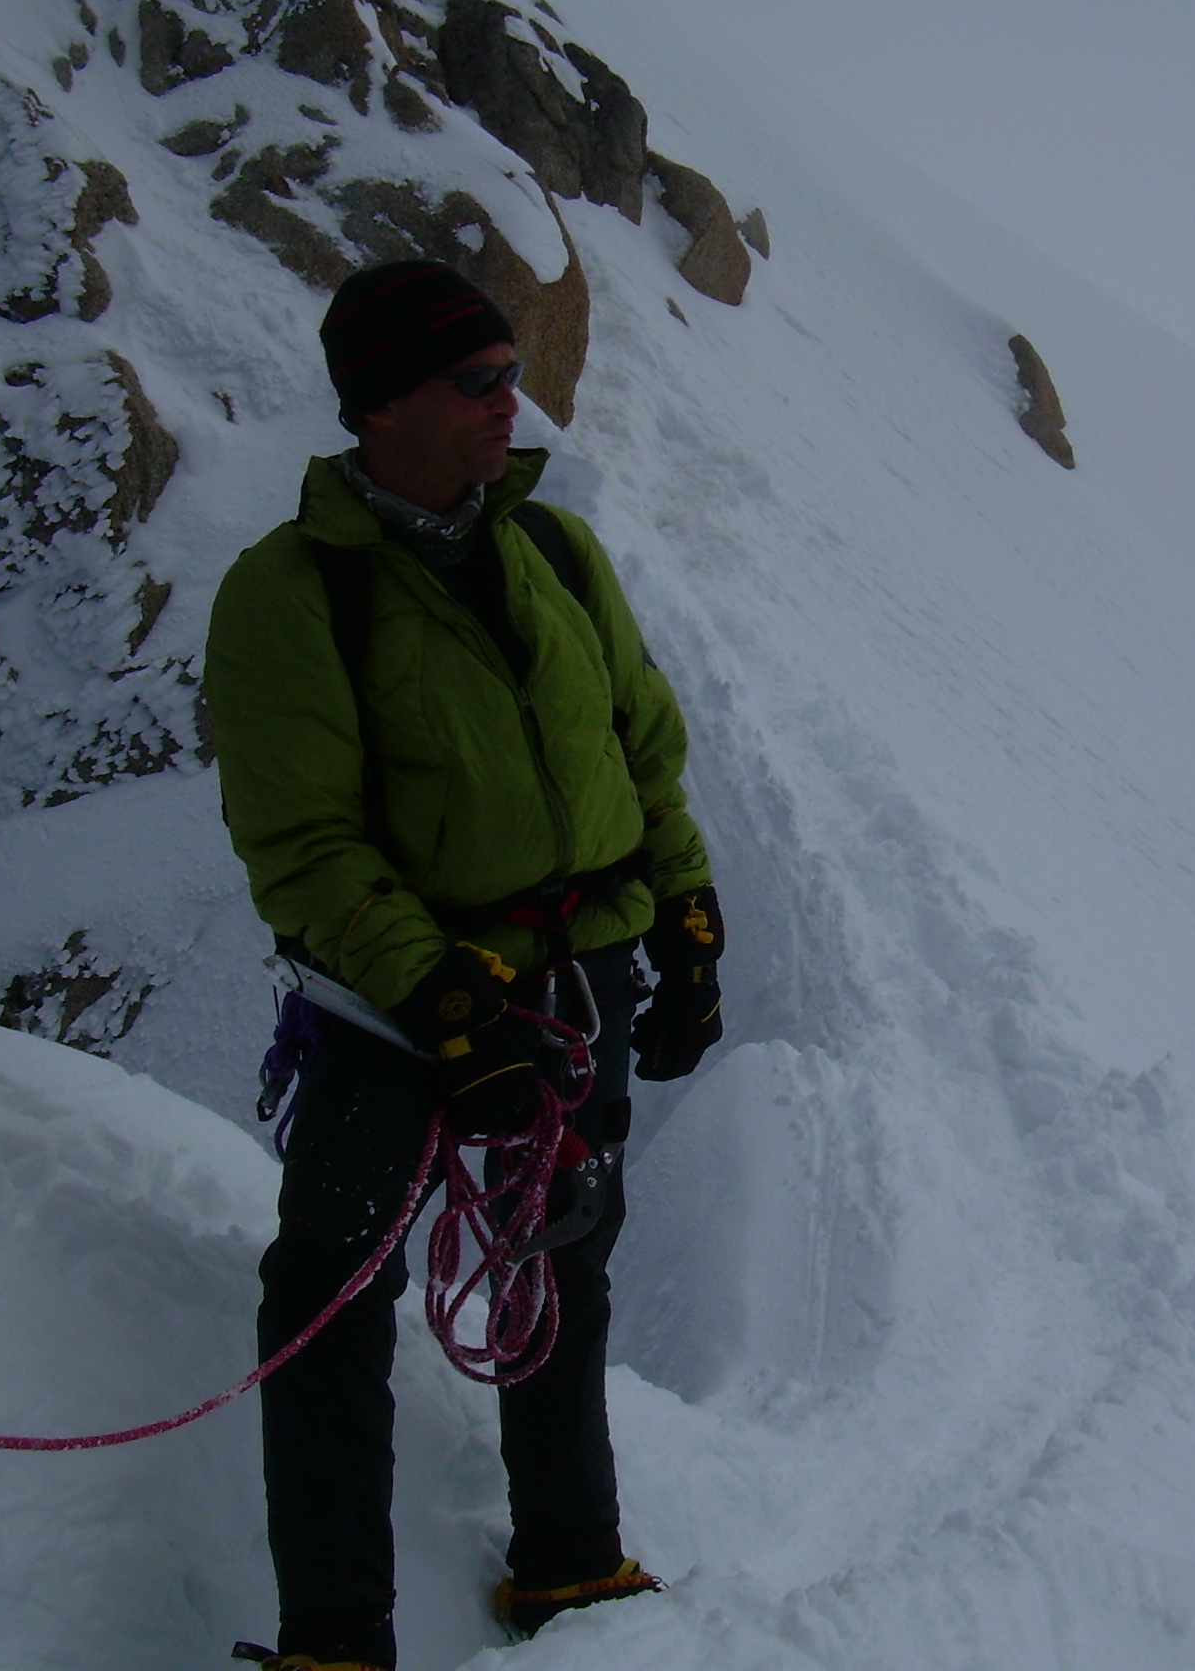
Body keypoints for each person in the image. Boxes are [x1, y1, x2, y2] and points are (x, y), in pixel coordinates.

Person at [204, 261, 724, 1671]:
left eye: (513, 376)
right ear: (381, 403)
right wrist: (444, 1004)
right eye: (480, 382)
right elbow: (304, 848)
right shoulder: (290, 596)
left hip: (573, 982)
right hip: (392, 1006)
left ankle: (569, 1563)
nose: (516, 405)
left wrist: (684, 924)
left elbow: (641, 745)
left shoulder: (553, 551)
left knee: (563, 1261)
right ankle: (334, 1636)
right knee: (330, 1286)